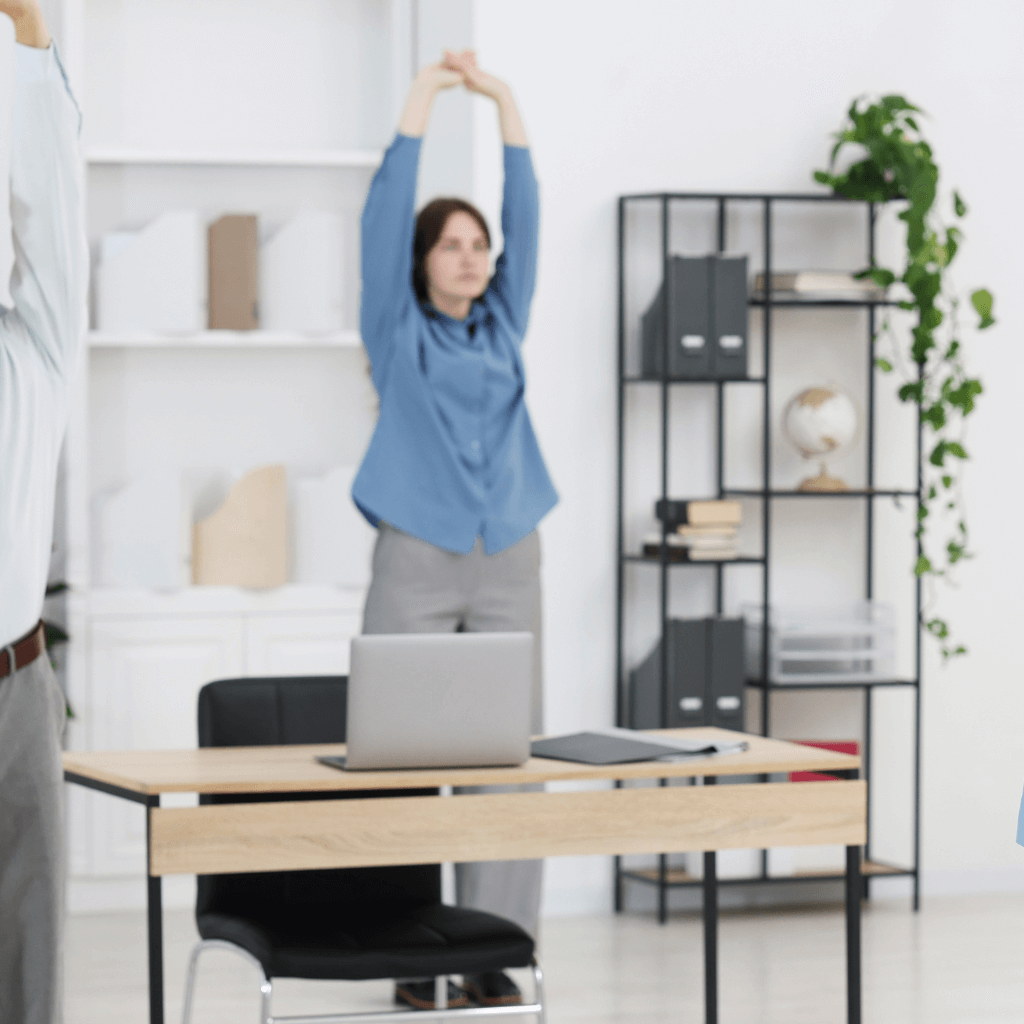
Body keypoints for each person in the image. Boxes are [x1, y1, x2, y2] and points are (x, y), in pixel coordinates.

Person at [352, 50, 556, 1011]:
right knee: (399, 762)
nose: (471, 256)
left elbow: (529, 214)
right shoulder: (395, 331)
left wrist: (503, 101)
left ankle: (490, 953)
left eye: (479, 244)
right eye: (450, 244)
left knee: (509, 766)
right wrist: (426, 97)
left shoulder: (503, 324)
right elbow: (383, 215)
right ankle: (405, 957)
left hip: (509, 554)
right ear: (423, 260)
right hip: (417, 559)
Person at [0, 2, 88, 1022]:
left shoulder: (34, 357)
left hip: (17, 691)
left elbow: (52, 201)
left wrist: (28, 32)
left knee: (30, 972)